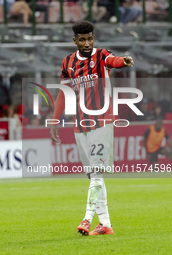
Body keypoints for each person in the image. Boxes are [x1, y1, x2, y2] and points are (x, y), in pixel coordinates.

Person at [50, 21, 134, 236]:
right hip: (80, 124)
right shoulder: (68, 62)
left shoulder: (101, 55)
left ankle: (87, 219)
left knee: (96, 174)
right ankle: (105, 224)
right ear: (75, 40)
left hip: (102, 121)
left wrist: (123, 61)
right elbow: (62, 93)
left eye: (90, 38)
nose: (87, 43)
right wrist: (54, 120)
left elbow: (113, 61)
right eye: (82, 39)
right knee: (93, 175)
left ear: (93, 38)